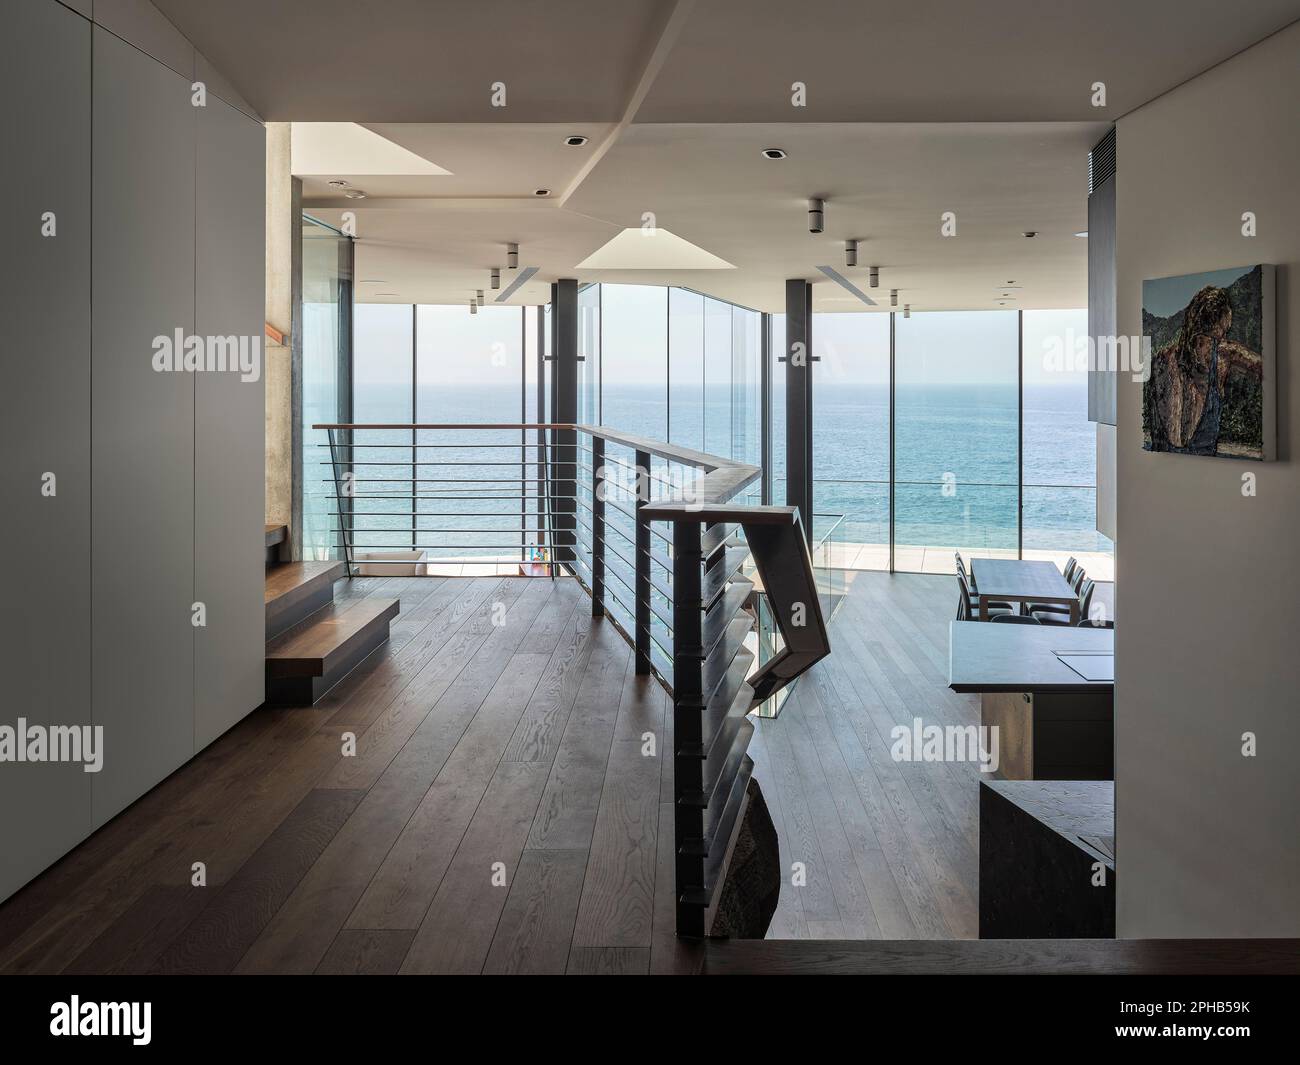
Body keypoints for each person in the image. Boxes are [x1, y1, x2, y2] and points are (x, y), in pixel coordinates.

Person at [1146, 285, 1262, 455]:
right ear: (1221, 322)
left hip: (1161, 467)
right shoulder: (1224, 354)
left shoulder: (1161, 358)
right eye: (1225, 328)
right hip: (1204, 470)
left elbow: (1158, 430)